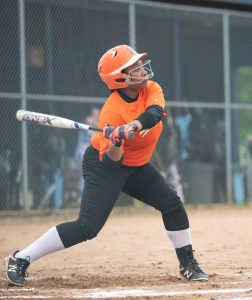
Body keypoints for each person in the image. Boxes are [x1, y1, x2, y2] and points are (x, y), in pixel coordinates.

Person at [5, 44, 208, 286]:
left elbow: (154, 114)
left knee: (172, 204)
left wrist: (132, 126)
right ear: (120, 79)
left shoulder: (151, 89)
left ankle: (187, 264)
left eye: (141, 66)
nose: (143, 71)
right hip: (104, 166)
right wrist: (116, 141)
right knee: (87, 227)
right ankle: (21, 258)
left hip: (138, 165)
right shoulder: (111, 112)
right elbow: (114, 161)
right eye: (135, 69)